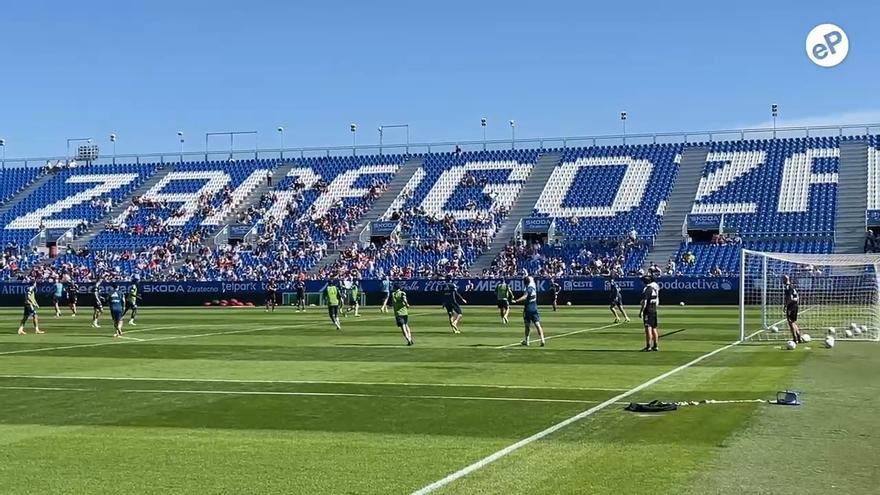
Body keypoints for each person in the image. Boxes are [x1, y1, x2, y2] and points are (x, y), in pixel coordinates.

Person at [515, 276, 546, 347]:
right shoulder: (533, 287)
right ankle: (542, 340)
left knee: (527, 326)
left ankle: (527, 341)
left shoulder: (528, 289)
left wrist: (516, 300)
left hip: (528, 309)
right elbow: (531, 279)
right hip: (535, 308)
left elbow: (525, 296)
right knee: (538, 325)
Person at [639, 275, 660, 351]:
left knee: (648, 328)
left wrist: (641, 311)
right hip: (654, 310)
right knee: (654, 328)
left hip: (648, 311)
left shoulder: (647, 289)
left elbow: (644, 302)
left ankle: (648, 346)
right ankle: (656, 345)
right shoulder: (653, 289)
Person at [783, 274, 802, 343]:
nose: (782, 280)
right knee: (793, 322)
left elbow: (790, 298)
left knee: (790, 323)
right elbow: (797, 297)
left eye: (783, 279)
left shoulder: (787, 287)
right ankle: (799, 336)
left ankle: (795, 339)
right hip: (795, 305)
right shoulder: (792, 286)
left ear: (785, 279)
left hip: (791, 306)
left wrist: (786, 305)